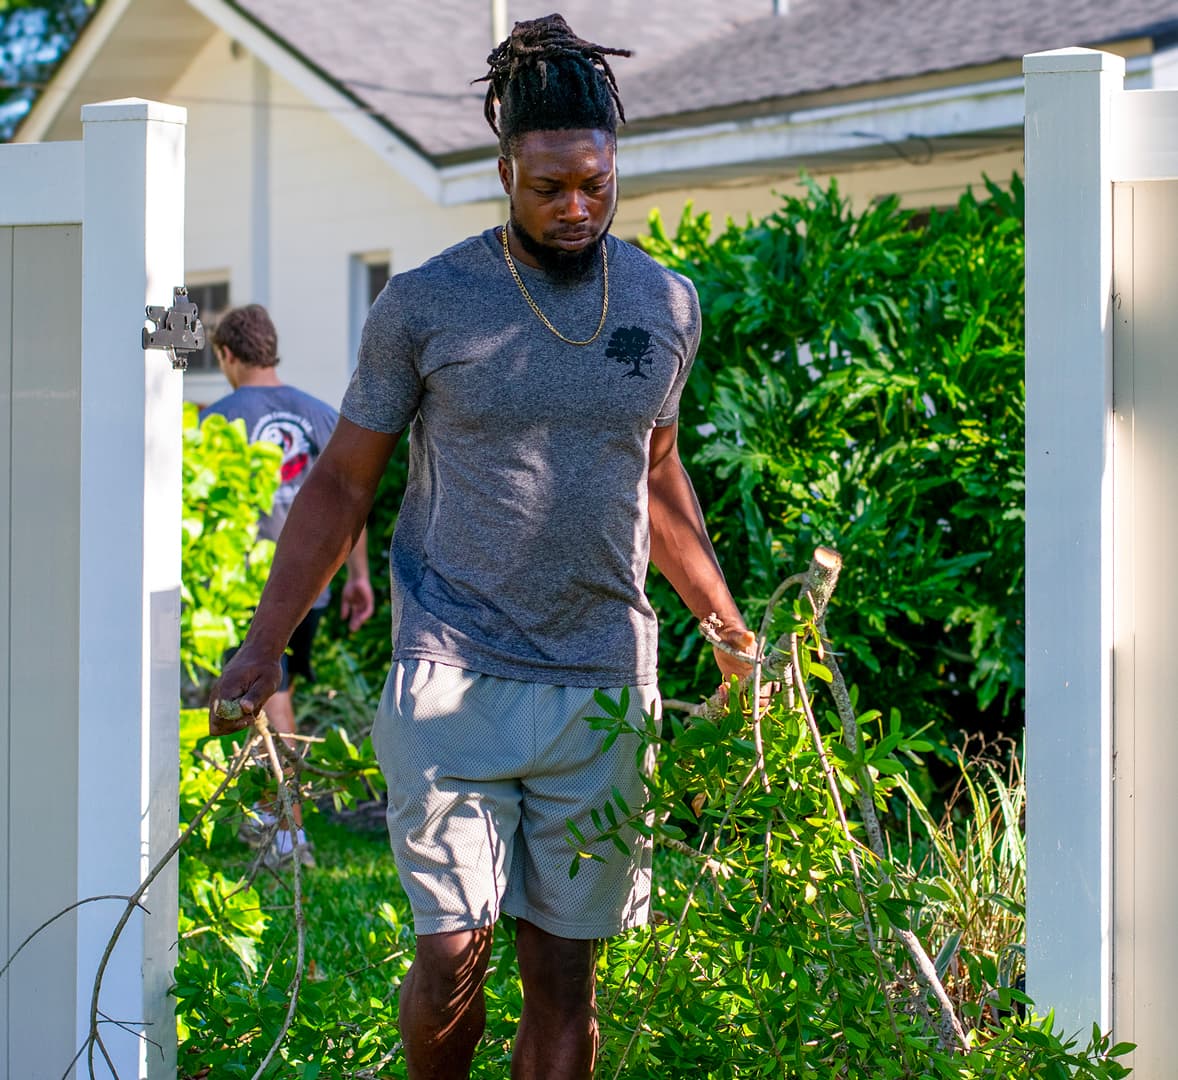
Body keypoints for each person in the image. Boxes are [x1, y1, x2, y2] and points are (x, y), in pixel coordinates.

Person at [209, 14, 756, 1078]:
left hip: (601, 679)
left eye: (592, 183)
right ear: (504, 168)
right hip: (451, 673)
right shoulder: (424, 304)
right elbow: (342, 484)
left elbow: (658, 476)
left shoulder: (665, 301)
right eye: (547, 185)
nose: (574, 206)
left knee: (563, 977)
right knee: (451, 955)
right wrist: (264, 643)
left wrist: (722, 624)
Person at [202, 303, 375, 865]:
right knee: (278, 695)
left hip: (247, 586)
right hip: (312, 586)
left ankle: (286, 828)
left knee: (255, 695)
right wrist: (359, 577)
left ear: (227, 355)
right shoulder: (323, 415)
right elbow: (353, 498)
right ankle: (273, 818)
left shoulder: (217, 417)